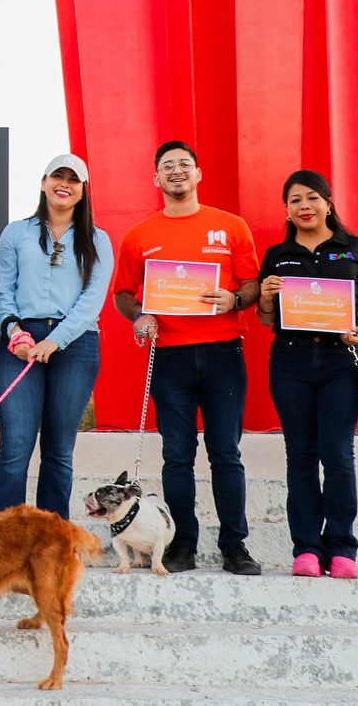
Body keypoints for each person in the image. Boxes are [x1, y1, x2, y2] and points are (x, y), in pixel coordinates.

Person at [111, 141, 263, 576]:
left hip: (222, 352)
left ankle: (235, 546)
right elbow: (123, 294)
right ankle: (181, 545)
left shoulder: (230, 227)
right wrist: (139, 315)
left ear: (198, 174)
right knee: (177, 455)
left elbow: (252, 286)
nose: (176, 171)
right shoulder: (139, 236)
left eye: (184, 164)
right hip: (169, 355)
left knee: (226, 453)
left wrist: (235, 299)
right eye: (167, 166)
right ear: (156, 178)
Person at [257, 170, 358, 579]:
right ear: (287, 210)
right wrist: (265, 297)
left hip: (340, 362)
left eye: (312, 197)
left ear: (328, 202)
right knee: (301, 457)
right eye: (295, 200)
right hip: (290, 362)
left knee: (339, 456)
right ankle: (307, 549)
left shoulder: (354, 248)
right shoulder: (278, 254)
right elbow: (265, 319)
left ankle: (342, 547)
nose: (304, 206)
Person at [0, 153, 112, 518]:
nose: (64, 184)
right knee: (14, 447)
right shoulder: (16, 232)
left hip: (76, 344)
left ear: (83, 190)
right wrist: (16, 334)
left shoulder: (97, 239)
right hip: (21, 342)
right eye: (57, 176)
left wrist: (55, 340)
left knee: (59, 450)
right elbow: (3, 293)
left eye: (73, 180)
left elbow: (92, 300)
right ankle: (2, 538)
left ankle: (52, 539)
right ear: (43, 183)